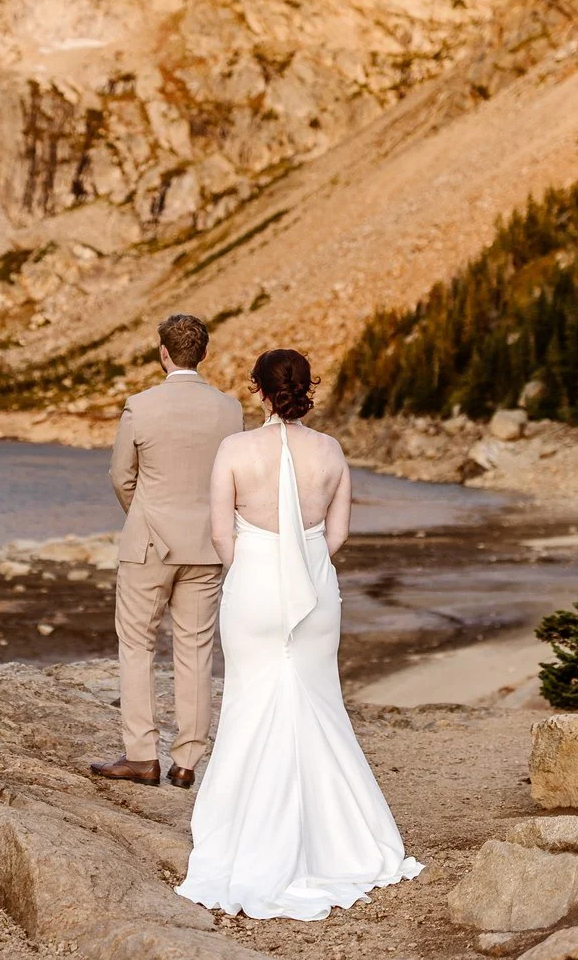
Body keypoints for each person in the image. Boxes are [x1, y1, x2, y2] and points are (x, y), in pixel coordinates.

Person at [176, 348, 422, 920]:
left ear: (258, 391)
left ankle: (244, 830)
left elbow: (220, 534)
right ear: (305, 389)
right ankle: (340, 840)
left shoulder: (234, 450)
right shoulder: (331, 451)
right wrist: (301, 562)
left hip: (254, 588)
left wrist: (257, 569)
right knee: (319, 704)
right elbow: (336, 536)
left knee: (249, 701)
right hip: (315, 590)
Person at [92, 313, 246, 788]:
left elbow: (121, 476)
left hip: (149, 543)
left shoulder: (140, 405)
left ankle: (142, 756)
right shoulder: (230, 410)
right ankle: (186, 762)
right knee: (196, 649)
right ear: (202, 354)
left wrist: (141, 514)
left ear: (163, 353)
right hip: (207, 544)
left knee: (137, 644)